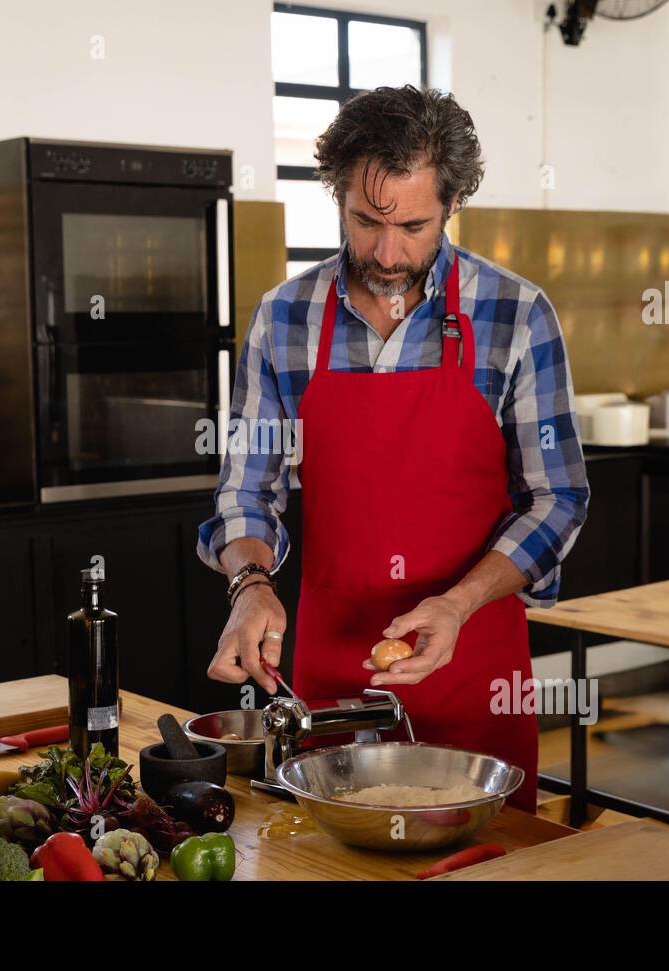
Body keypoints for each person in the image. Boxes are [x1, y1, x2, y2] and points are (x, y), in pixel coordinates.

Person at [197, 85, 589, 813]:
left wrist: (459, 601)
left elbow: (558, 499)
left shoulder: (515, 315)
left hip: (473, 665)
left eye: (413, 225)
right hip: (327, 678)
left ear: (451, 204)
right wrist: (249, 587)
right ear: (336, 197)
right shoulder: (284, 319)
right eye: (366, 221)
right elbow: (246, 490)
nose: (387, 251)